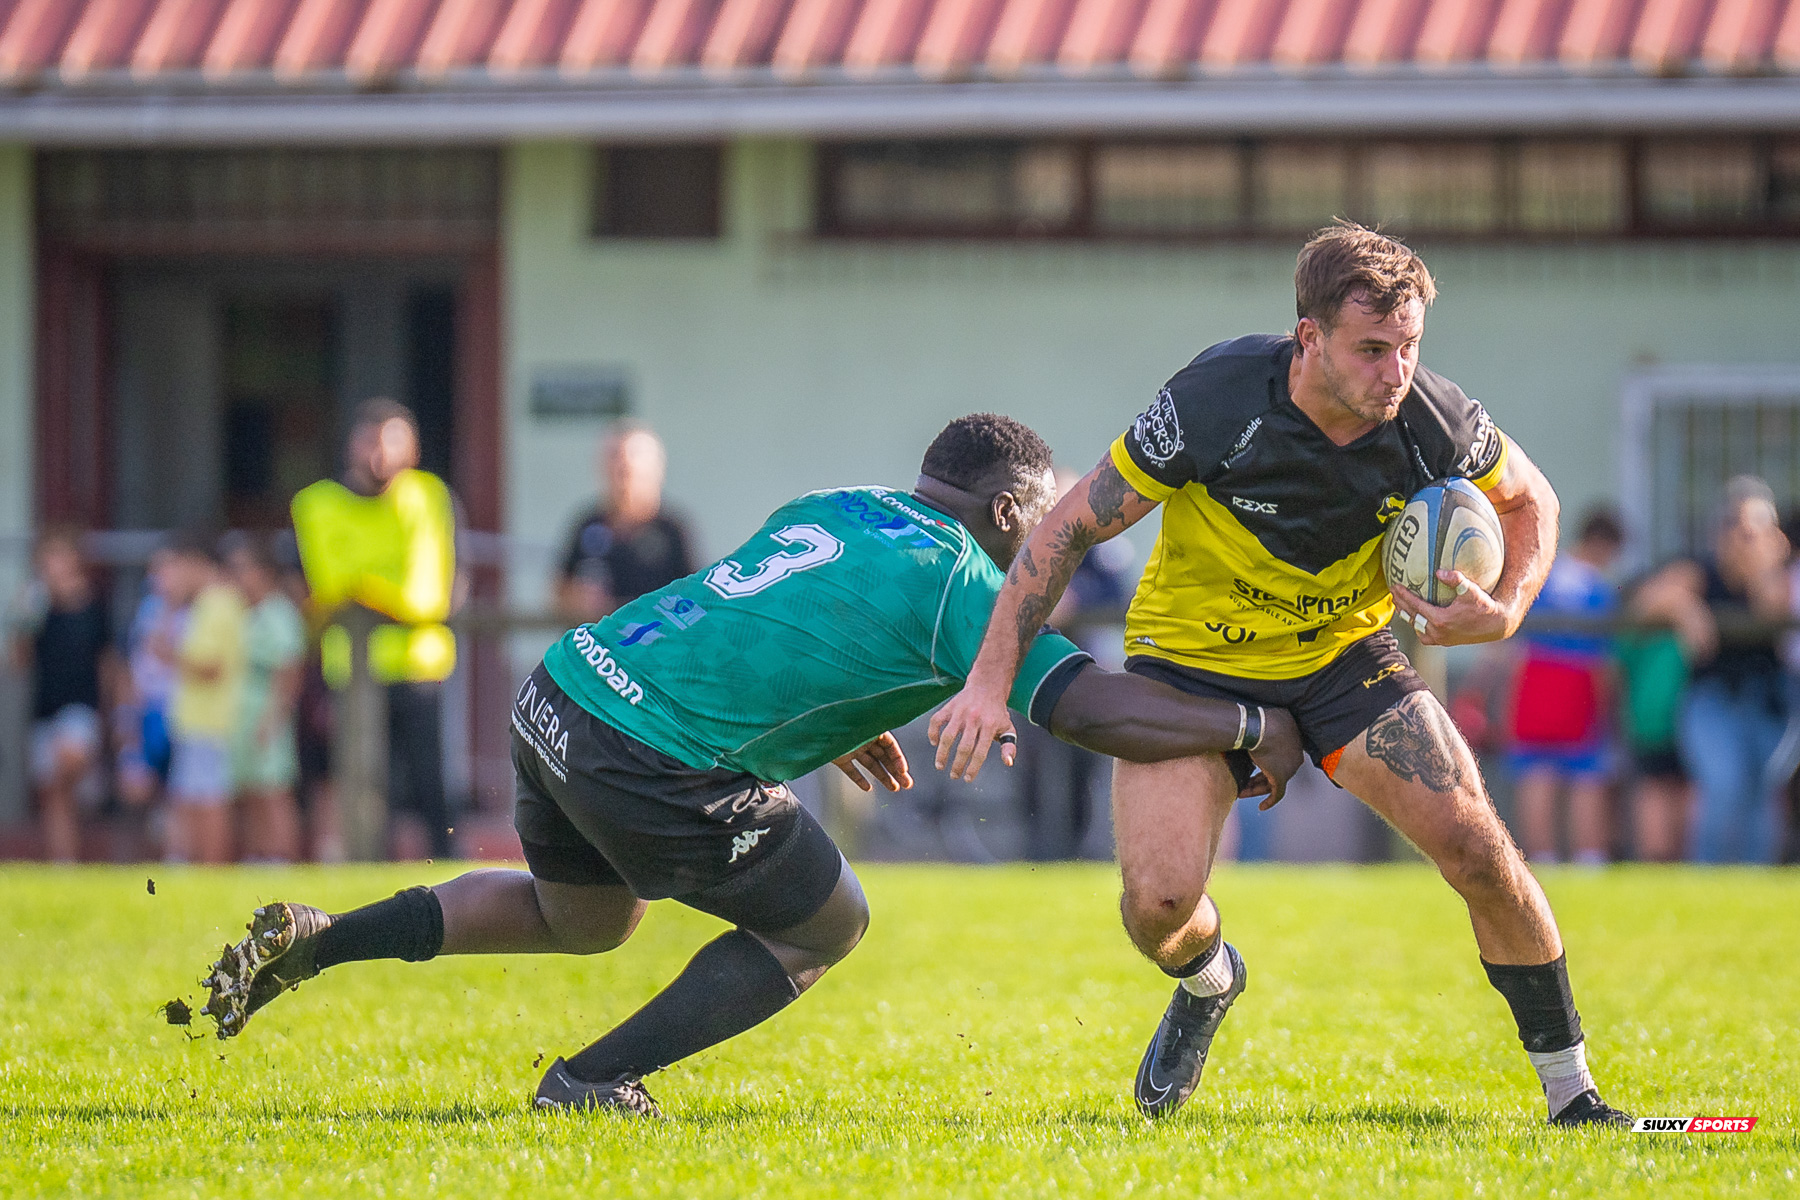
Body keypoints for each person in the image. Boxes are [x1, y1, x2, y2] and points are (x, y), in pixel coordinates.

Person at [194, 414, 1305, 1117]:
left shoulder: (843, 505)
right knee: (828, 924)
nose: (1054, 540)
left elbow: (763, 613)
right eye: (1047, 516)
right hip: (647, 754)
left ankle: (322, 941)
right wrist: (1249, 728)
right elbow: (1089, 705)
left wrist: (833, 717)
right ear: (1011, 511)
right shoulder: (967, 585)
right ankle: (585, 1083)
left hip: (564, 689)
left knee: (584, 919)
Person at [931, 223, 1630, 1126]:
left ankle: (1575, 1096)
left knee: (1480, 852)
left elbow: (1531, 501)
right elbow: (1067, 527)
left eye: (1409, 347)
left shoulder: (1434, 420)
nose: (1397, 372)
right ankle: (1209, 981)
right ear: (1309, 338)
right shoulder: (1216, 401)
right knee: (1159, 904)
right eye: (1372, 350)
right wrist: (989, 684)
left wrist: (1508, 609)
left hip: (1345, 657)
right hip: (1192, 665)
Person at [292, 399, 458, 858]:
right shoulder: (316, 504)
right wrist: (382, 597)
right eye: (371, 441)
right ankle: (372, 885)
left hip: (420, 665)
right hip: (351, 671)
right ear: (352, 444)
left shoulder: (428, 497)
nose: (381, 455)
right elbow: (328, 588)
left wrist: (366, 592)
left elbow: (428, 594)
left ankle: (453, 882)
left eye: (394, 442)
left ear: (415, 449)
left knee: (431, 787)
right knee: (362, 788)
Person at [1633, 477, 1789, 863]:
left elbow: (1775, 608)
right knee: (1723, 785)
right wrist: (1683, 607)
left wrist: (1763, 569)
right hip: (1713, 702)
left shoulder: (1781, 575)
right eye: (1737, 527)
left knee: (1763, 794)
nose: (1745, 538)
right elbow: (1642, 602)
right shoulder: (1700, 571)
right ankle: (1709, 874)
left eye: (1757, 529)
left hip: (1772, 702)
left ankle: (1756, 882)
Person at [1507, 509, 1623, 865]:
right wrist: (1610, 709)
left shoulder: (1541, 576)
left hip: (1534, 681)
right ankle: (1589, 859)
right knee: (1587, 772)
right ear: (1605, 546)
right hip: (1580, 682)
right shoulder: (1600, 592)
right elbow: (1605, 661)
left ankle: (1541, 858)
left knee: (1535, 772)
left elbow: (1510, 647)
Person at [9, 528, 116, 862]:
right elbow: (18, 662)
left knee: (65, 767)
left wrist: (111, 711)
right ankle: (64, 863)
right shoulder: (39, 610)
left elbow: (107, 663)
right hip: (45, 709)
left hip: (80, 707)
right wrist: (24, 621)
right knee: (53, 794)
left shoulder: (93, 608)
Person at [555, 423, 695, 623]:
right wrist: (577, 599)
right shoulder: (588, 524)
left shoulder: (671, 530)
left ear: (654, 473)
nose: (620, 480)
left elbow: (694, 597)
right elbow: (559, 589)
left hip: (652, 644)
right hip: (599, 646)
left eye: (627, 472)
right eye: (613, 468)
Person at [164, 535, 248, 864]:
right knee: (191, 797)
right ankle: (197, 865)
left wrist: (169, 653)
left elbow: (212, 666)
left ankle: (211, 868)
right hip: (200, 719)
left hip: (212, 720)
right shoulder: (208, 603)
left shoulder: (217, 603)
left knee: (209, 801)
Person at [227, 533, 308, 862]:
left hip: (267, 711)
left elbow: (289, 670)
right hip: (241, 712)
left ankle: (281, 857)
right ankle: (256, 855)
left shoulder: (279, 612)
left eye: (242, 568)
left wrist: (273, 718)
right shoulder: (244, 611)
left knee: (274, 790)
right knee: (249, 791)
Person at [116, 546, 183, 817]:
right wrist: (125, 714)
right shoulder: (146, 611)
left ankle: (177, 852)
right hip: (147, 707)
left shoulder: (196, 610)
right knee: (136, 787)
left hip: (179, 708)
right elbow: (130, 664)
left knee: (181, 786)